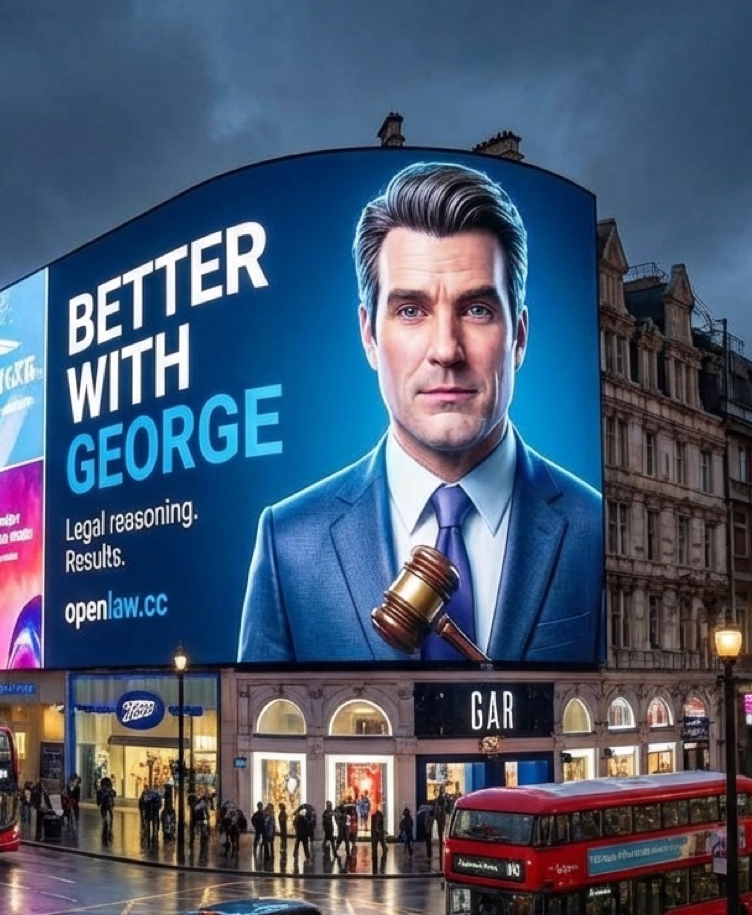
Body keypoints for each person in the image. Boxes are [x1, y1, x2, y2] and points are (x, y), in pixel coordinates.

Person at [238, 159, 604, 666]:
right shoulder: (289, 541)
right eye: (411, 310)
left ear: (518, 335)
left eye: (477, 309)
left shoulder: (594, 526)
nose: (446, 350)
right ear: (369, 336)